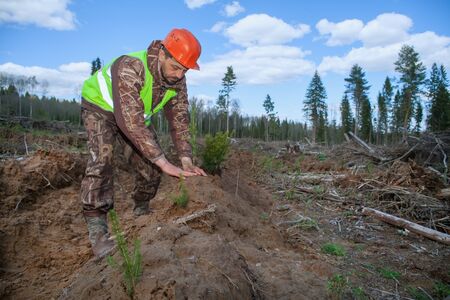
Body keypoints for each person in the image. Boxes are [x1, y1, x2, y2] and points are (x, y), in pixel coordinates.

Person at [80, 28, 207, 258]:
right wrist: (165, 162)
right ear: (162, 53)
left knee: (150, 168)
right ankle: (98, 234)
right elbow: (131, 122)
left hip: (135, 116)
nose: (179, 75)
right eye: (176, 67)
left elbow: (180, 119)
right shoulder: (132, 66)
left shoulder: (177, 81)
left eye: (185, 70)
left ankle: (141, 211)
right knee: (103, 161)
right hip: (100, 109)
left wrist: (185, 159)